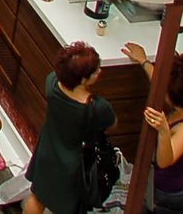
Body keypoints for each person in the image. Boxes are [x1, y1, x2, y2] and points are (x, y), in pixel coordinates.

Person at [24, 43, 116, 214]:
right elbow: (111, 123)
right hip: (74, 167)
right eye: (95, 71)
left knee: (37, 197)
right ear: (83, 79)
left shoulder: (52, 83)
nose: (99, 72)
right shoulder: (98, 107)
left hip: (47, 153)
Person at [120, 45, 183, 214]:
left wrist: (163, 131)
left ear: (174, 97)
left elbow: (165, 161)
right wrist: (144, 61)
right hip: (172, 185)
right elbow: (163, 84)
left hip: (167, 194)